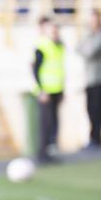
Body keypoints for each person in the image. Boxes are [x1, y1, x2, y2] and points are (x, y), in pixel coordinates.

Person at [77, 10, 101, 148]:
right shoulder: (88, 36)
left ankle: (97, 138)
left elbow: (90, 52)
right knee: (90, 109)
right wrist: (86, 48)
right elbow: (78, 47)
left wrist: (86, 48)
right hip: (90, 79)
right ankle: (93, 137)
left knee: (97, 108)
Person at [33, 16, 65, 163]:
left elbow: (60, 69)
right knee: (45, 123)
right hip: (45, 90)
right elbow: (35, 69)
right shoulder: (42, 46)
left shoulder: (59, 46)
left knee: (53, 123)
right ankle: (42, 153)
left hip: (57, 89)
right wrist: (41, 90)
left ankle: (51, 152)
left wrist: (63, 89)